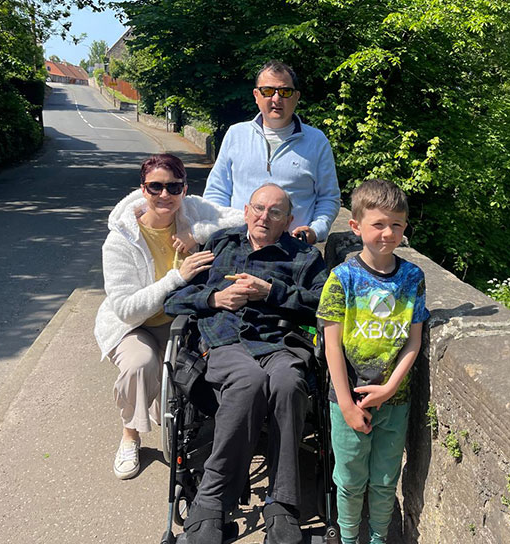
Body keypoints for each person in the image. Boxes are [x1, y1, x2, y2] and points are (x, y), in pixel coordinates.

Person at [164, 183, 328, 544]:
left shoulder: (304, 257)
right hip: (226, 341)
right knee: (248, 380)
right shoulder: (223, 244)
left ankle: (283, 506)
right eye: (257, 208)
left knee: (288, 384)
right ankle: (210, 504)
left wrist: (273, 292)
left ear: (289, 219)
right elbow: (175, 300)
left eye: (274, 212)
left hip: (279, 342)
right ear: (246, 209)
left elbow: (326, 304)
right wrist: (216, 297)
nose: (263, 217)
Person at [94, 153, 244, 480]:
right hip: (137, 325)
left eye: (174, 187)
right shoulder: (120, 240)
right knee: (140, 364)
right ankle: (130, 437)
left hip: (183, 320)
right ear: (143, 189)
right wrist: (176, 277)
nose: (165, 195)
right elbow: (126, 308)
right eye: (156, 187)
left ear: (185, 189)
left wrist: (198, 231)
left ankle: (196, 426)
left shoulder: (190, 210)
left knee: (202, 365)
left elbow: (243, 218)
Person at [316, 179, 429, 544]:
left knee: (384, 481)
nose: (388, 233)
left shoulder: (413, 277)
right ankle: (348, 539)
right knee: (349, 481)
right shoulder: (342, 278)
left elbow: (414, 338)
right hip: (348, 400)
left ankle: (379, 539)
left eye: (396, 225)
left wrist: (392, 386)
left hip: (395, 399)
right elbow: (332, 345)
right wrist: (347, 403)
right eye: (378, 224)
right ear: (356, 226)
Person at [203, 60, 340, 245]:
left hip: (292, 251)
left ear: (296, 96)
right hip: (237, 245)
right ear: (256, 95)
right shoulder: (236, 134)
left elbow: (328, 197)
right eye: (268, 91)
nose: (276, 99)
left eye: (285, 92)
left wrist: (316, 230)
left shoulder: (317, 141)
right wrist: (221, 233)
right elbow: (217, 190)